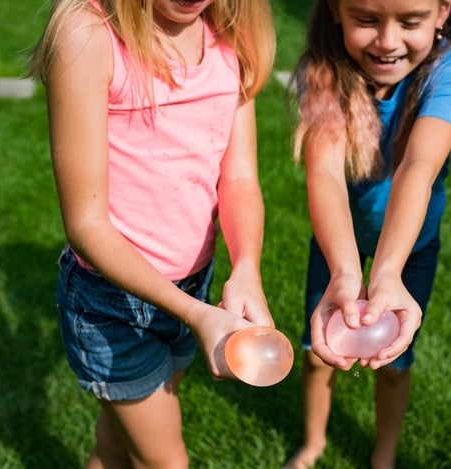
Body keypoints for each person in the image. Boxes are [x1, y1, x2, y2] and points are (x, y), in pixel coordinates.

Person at [27, 0, 276, 467]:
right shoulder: (90, 34)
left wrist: (246, 270)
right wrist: (197, 316)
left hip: (192, 288)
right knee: (165, 461)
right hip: (111, 304)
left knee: (117, 444)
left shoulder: (230, 35)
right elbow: (86, 224)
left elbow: (239, 180)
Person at [282, 1, 451, 468]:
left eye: (410, 21)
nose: (387, 40)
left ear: (442, 12)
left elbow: (416, 170)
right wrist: (344, 271)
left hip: (409, 252)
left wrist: (387, 274)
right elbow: (324, 174)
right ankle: (314, 442)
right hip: (337, 242)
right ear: (336, 11)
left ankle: (383, 455)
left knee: (394, 364)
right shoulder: (325, 68)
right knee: (319, 354)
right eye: (366, 19)